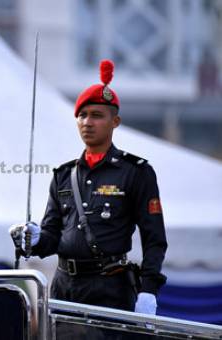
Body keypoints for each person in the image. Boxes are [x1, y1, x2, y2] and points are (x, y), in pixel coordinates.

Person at [10, 60, 168, 314]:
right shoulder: (63, 174)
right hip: (65, 287)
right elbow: (52, 238)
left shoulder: (136, 172)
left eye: (96, 115)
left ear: (115, 121)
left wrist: (149, 289)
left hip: (110, 288)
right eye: (82, 115)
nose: (87, 122)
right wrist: (34, 238)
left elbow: (155, 239)